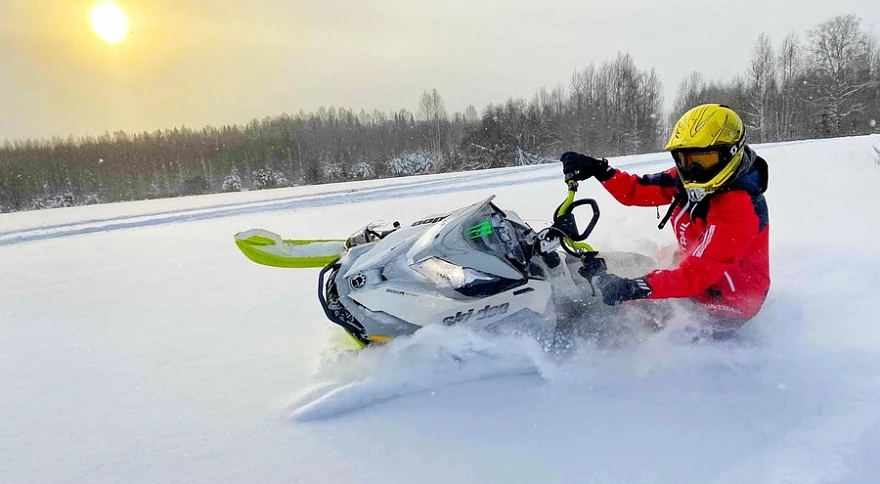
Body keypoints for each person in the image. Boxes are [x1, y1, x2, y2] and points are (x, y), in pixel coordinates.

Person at [560, 104, 769, 332]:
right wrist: (600, 170)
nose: (694, 169)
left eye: (705, 159)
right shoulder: (686, 179)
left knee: (620, 321)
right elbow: (637, 190)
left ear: (731, 153)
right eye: (686, 159)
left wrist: (631, 288)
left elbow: (696, 275)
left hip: (725, 301)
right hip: (689, 271)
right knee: (616, 267)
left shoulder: (740, 208)